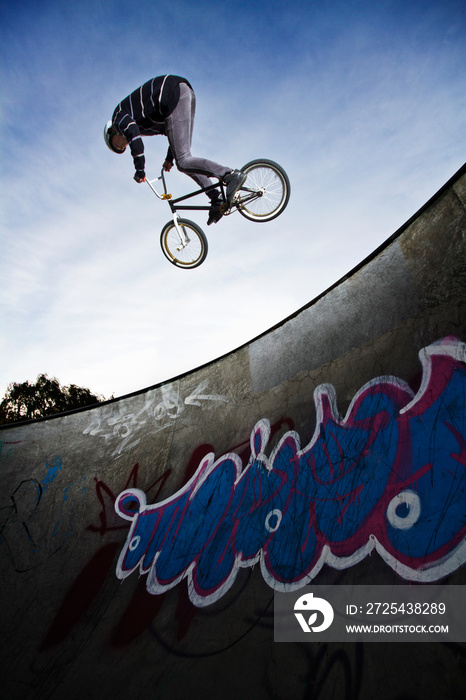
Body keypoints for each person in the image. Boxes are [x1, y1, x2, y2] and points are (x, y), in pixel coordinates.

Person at [104, 75, 246, 225]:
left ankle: (229, 174)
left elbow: (133, 135)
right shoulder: (143, 124)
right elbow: (170, 131)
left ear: (111, 133)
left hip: (171, 93)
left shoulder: (117, 119)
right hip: (182, 94)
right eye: (121, 149)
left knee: (184, 161)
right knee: (185, 161)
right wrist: (168, 159)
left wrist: (140, 171)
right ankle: (216, 197)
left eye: (117, 145)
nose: (122, 147)